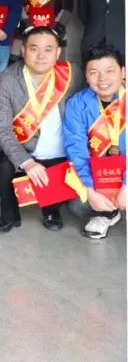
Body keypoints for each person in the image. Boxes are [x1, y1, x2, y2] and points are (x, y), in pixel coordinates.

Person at [0, 26, 83, 234]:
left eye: (48, 49)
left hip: (61, 155)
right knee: (3, 166)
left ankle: (51, 209)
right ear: (23, 50)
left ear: (58, 52)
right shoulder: (7, 79)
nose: (41, 56)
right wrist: (27, 162)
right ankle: (9, 214)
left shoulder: (72, 74)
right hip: (26, 152)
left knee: (71, 186)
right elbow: (2, 129)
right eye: (34, 49)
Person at [64, 44, 126, 239]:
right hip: (100, 174)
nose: (102, 79)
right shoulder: (77, 103)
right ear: (86, 76)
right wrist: (90, 191)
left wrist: (126, 185)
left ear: (123, 71)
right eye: (94, 73)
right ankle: (108, 213)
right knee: (77, 204)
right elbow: (76, 149)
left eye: (109, 71)